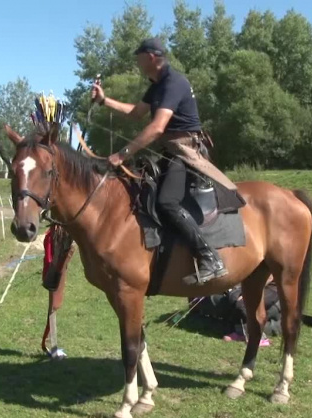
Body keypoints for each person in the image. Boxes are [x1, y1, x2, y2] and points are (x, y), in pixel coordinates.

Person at [92, 37, 237, 286]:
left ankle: (209, 257)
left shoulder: (173, 82)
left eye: (139, 57)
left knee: (167, 202)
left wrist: (122, 154)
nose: (136, 62)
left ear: (151, 56)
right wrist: (104, 100)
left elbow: (157, 127)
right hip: (170, 152)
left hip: (186, 151)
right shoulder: (156, 85)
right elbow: (137, 113)